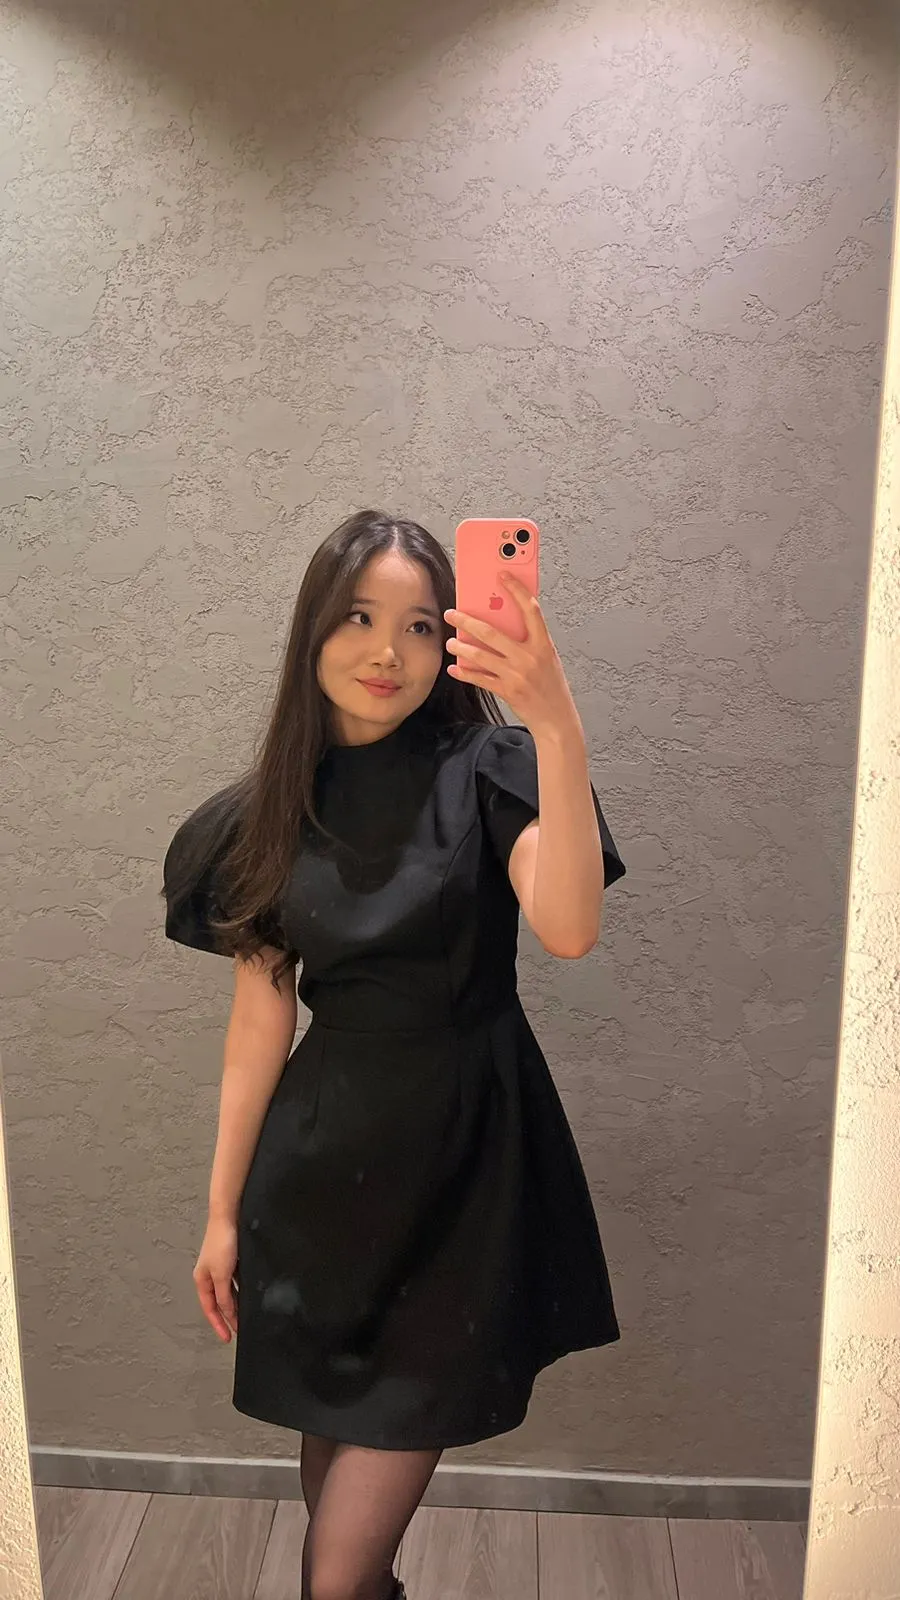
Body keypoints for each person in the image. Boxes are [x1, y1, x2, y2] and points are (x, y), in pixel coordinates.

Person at [161, 509, 627, 1600]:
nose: (388, 651)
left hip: (462, 1167)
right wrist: (222, 1211)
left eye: (420, 625)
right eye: (359, 618)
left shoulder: (492, 769)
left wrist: (556, 723)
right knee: (335, 1497)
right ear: (313, 632)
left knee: (333, 1574)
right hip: (321, 1178)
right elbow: (259, 1026)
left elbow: (568, 927)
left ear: (451, 641)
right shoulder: (267, 815)